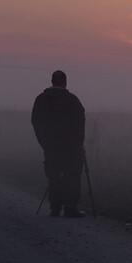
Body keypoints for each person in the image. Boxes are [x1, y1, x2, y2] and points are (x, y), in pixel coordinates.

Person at [31, 70, 86, 218]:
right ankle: (70, 209)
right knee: (72, 176)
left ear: (52, 81)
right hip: (71, 147)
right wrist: (79, 143)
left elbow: (35, 122)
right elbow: (80, 122)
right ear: (65, 82)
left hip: (50, 145)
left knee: (54, 176)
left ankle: (54, 209)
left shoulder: (40, 100)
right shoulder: (72, 100)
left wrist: (42, 141)